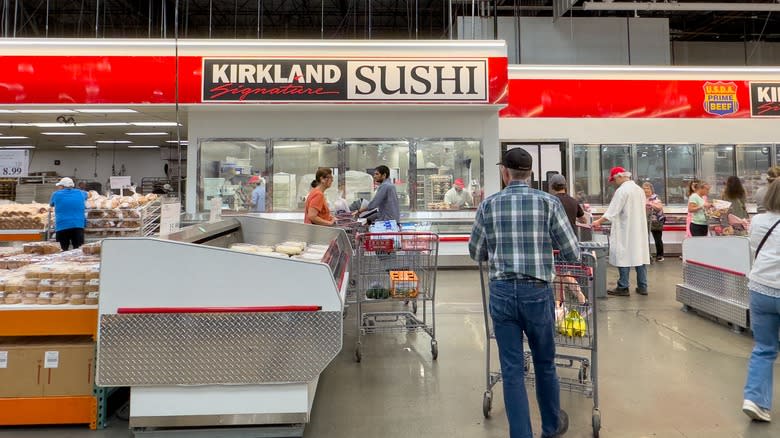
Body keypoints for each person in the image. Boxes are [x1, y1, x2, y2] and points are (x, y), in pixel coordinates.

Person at [469, 148, 578, 438]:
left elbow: (475, 252)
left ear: (505, 172)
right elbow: (572, 251)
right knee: (544, 363)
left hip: (502, 292)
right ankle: (552, 426)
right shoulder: (549, 203)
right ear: (529, 173)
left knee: (512, 369)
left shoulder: (488, 205)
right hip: (537, 292)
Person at [741, 179, 780, 422]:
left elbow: (755, 247)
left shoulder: (758, 220)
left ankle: (755, 400)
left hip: (760, 289)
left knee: (764, 349)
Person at [592, 167, 651, 296]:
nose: (613, 183)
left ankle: (623, 286)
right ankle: (643, 286)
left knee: (623, 256)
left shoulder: (622, 190)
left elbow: (612, 211)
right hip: (639, 229)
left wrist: (598, 222)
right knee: (639, 256)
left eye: (613, 180)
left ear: (619, 176)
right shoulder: (639, 190)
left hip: (625, 230)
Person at [49, 177, 87, 251]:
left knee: (62, 250)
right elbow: (87, 196)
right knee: (78, 251)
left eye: (59, 186)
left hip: (62, 226)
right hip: (78, 225)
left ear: (63, 186)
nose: (58, 188)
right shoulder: (81, 193)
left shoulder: (56, 194)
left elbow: (51, 204)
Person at [642, 182, 665, 262]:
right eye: (644, 189)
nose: (646, 190)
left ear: (651, 189)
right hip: (645, 221)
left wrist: (651, 205)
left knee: (657, 239)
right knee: (644, 239)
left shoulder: (655, 198)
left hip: (656, 221)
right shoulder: (641, 198)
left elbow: (659, 207)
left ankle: (660, 255)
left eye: (647, 188)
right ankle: (646, 254)